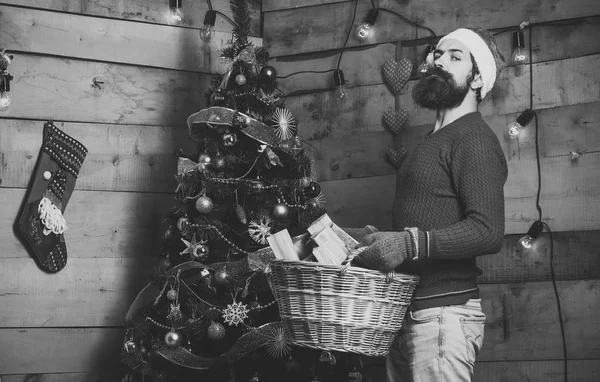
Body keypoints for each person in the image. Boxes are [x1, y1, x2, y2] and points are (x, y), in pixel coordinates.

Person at [355, 27, 508, 382]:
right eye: (438, 54)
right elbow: (425, 217)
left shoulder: (473, 138)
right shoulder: (433, 141)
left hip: (443, 318)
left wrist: (408, 243)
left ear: (476, 78)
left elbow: (488, 232)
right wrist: (368, 238)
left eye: (456, 57)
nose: (440, 61)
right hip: (409, 313)